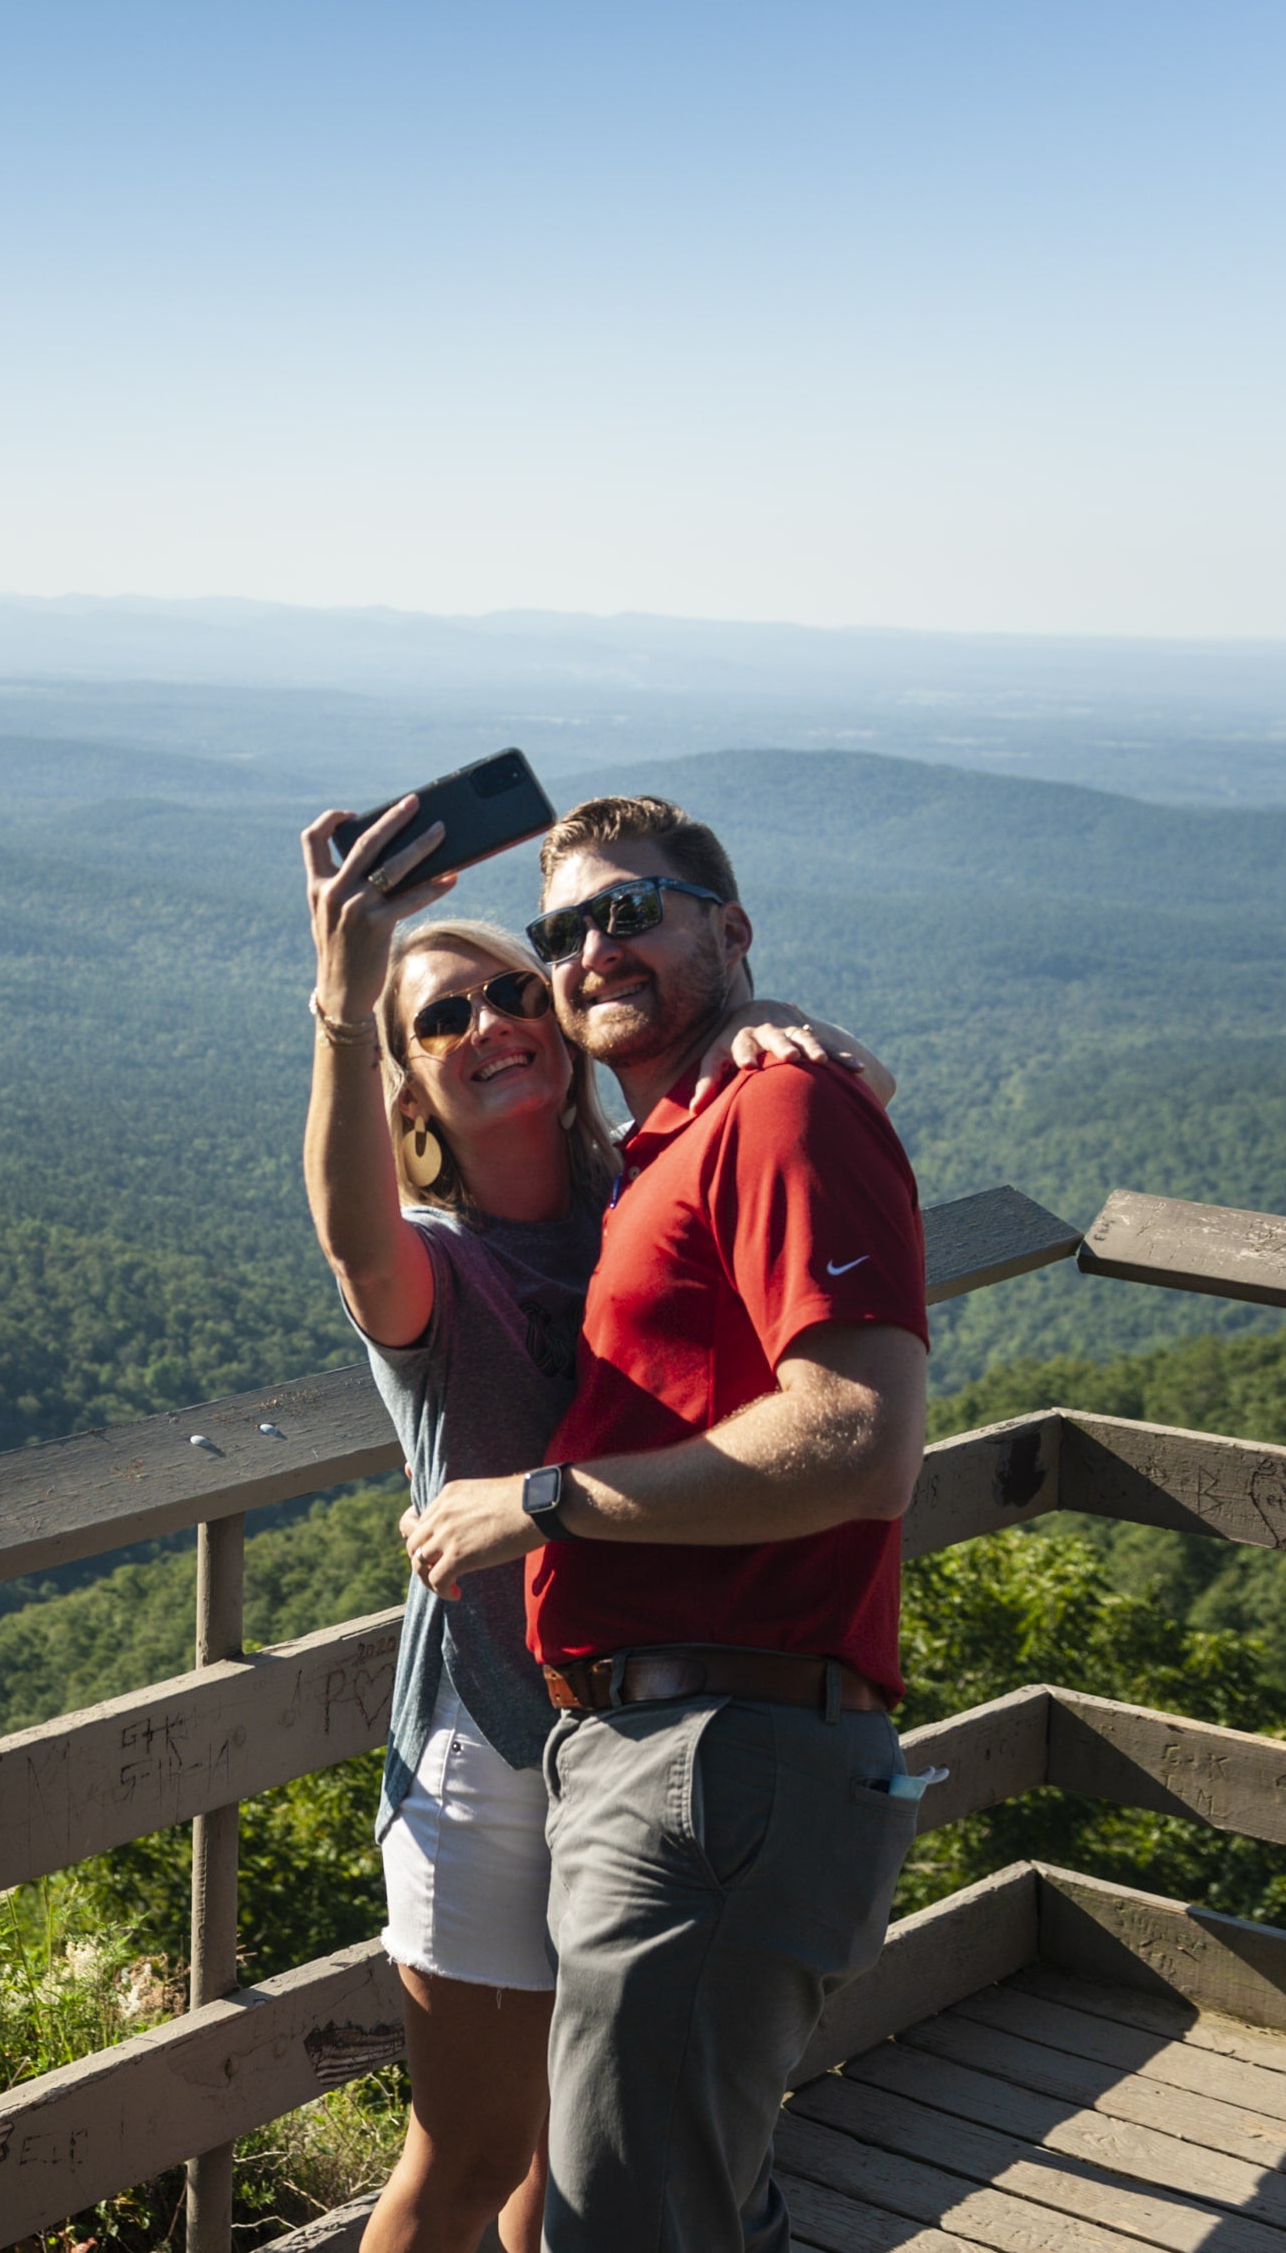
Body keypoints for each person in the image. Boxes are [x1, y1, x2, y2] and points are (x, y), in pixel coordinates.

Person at [302, 796, 894, 2253]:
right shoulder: (444, 1268)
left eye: (516, 990)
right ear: (406, 1095)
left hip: (634, 1743)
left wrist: (780, 1024)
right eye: (443, 1021)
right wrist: (341, 1004)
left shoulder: (641, 1177)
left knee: (576, 2163)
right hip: (494, 1737)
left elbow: (790, 1138)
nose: (494, 1023)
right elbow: (353, 1239)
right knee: (475, 2149)